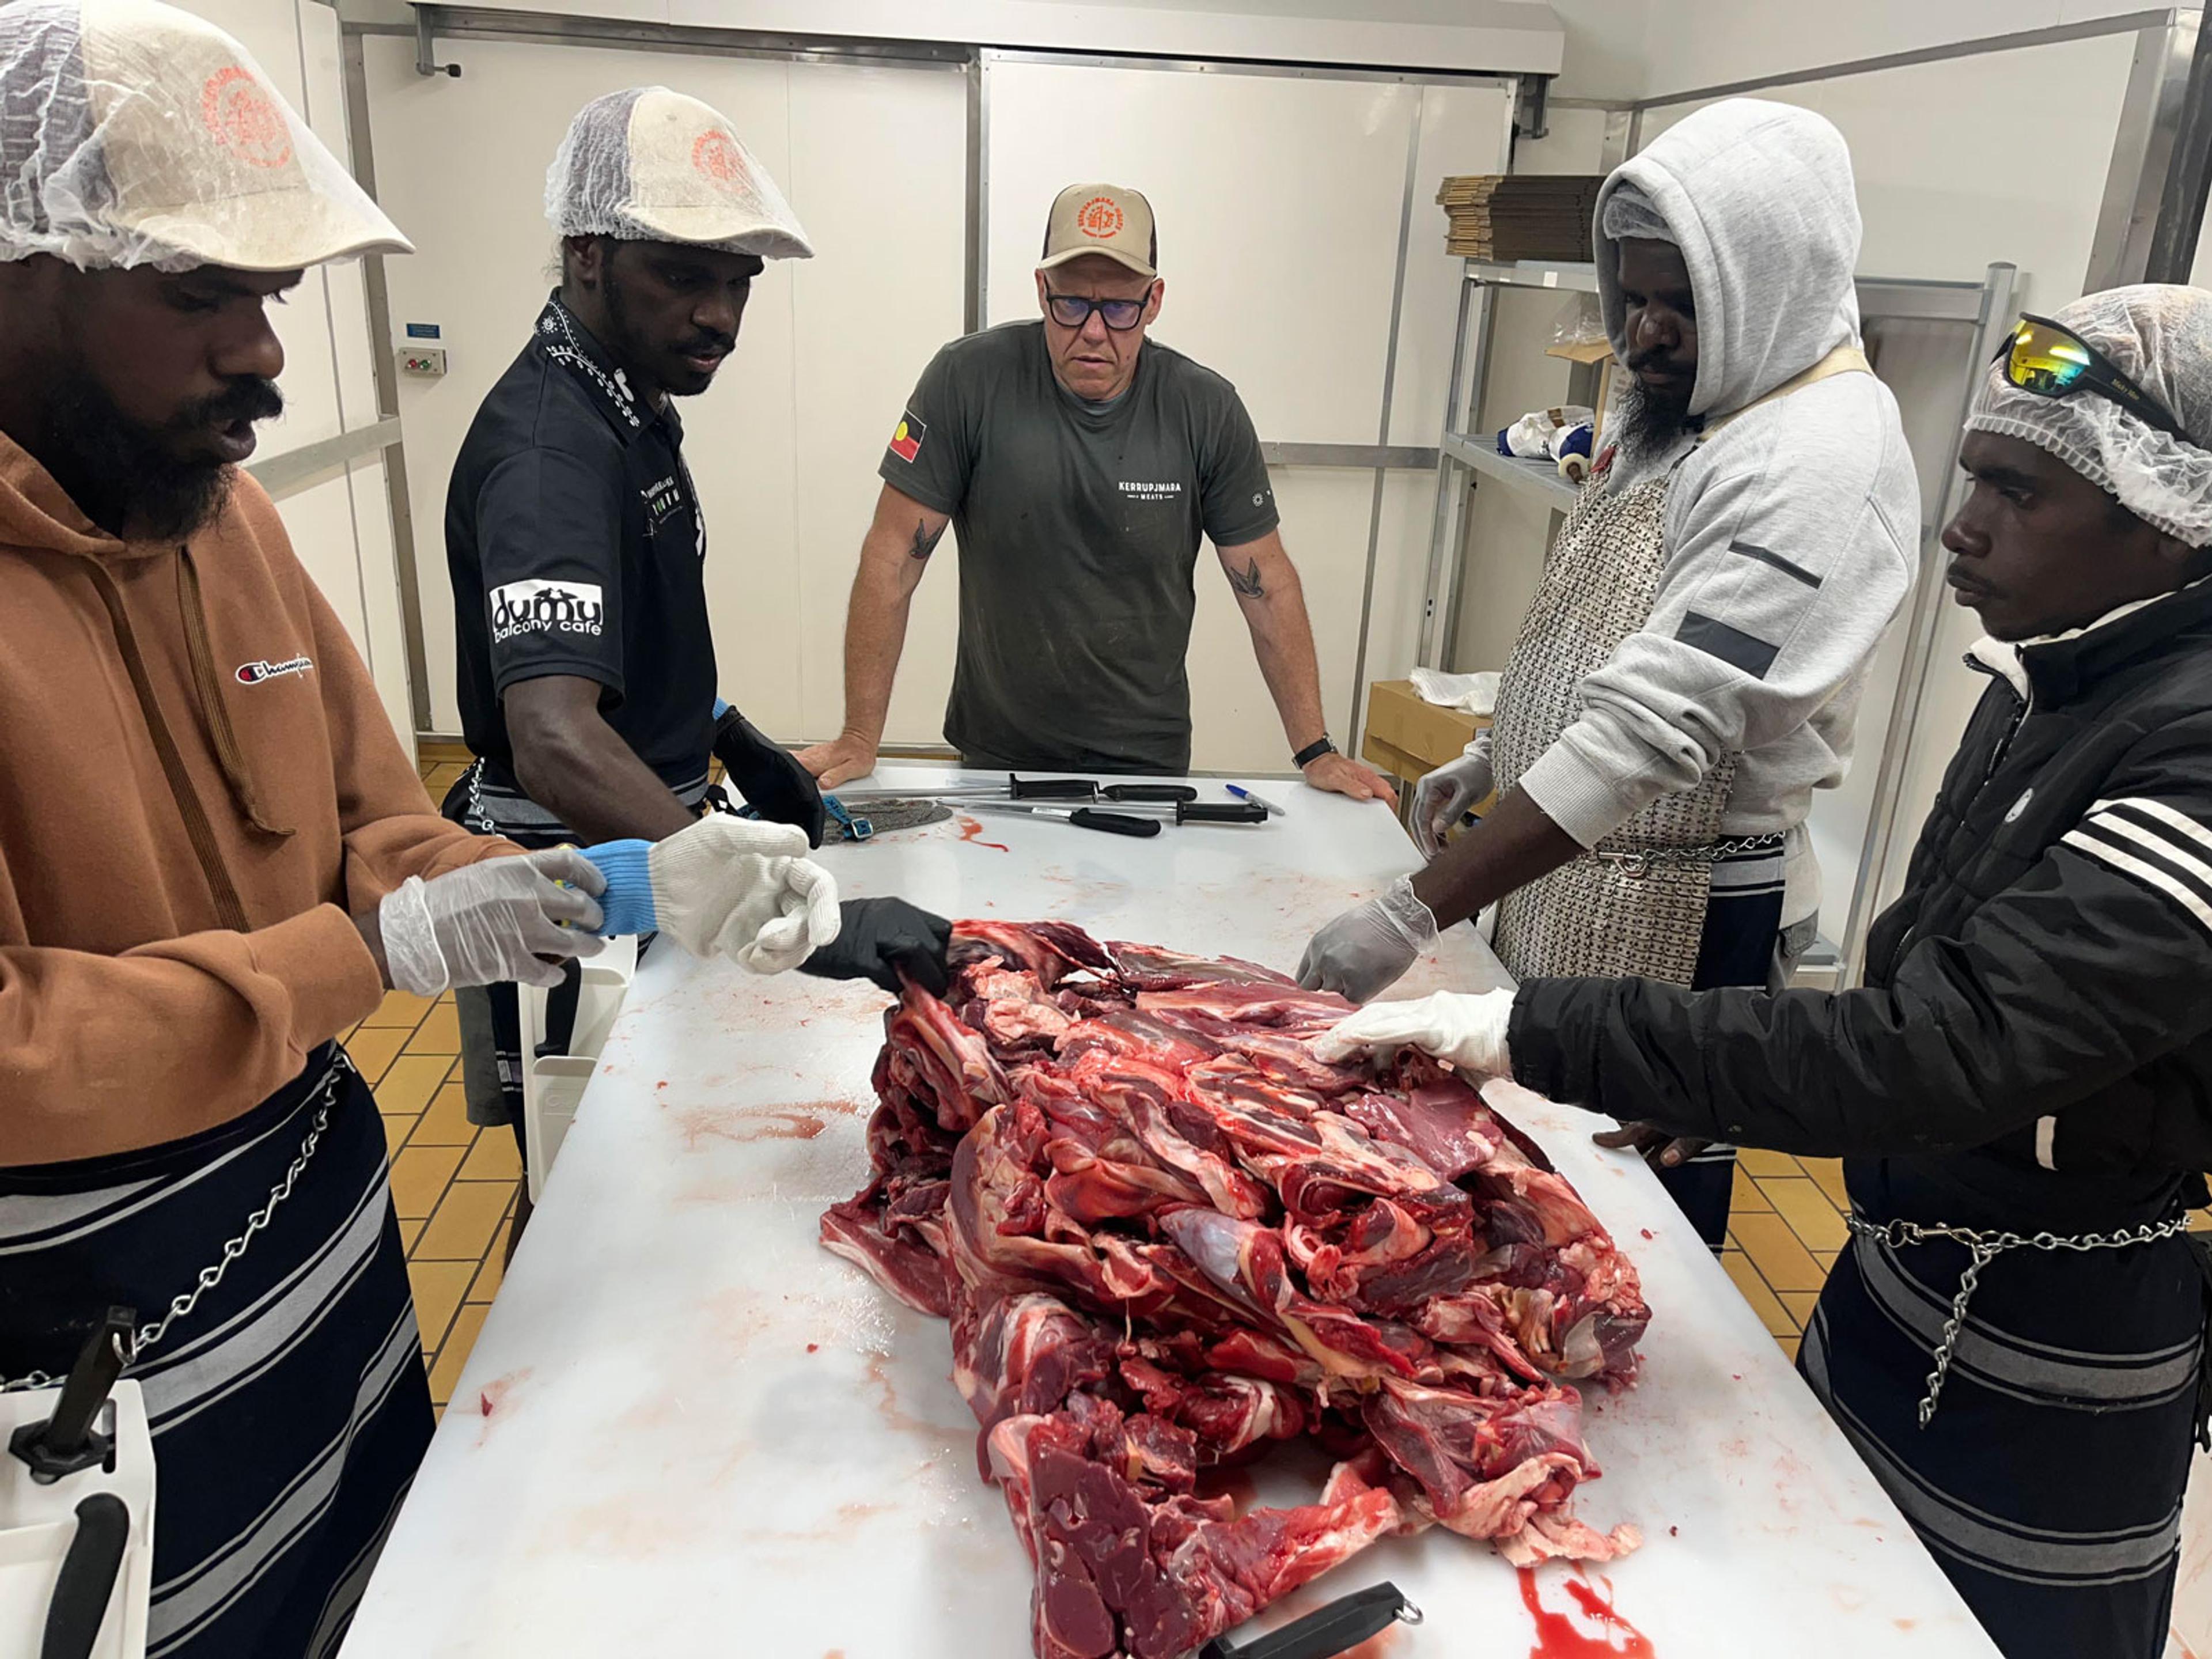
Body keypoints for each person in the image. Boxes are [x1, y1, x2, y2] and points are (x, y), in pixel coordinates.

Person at [1320, 285, 2212, 1659]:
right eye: (1969, 471)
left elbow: (1948, 1047)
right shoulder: (2052, 677)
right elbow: (1935, 976)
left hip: (2053, 1343)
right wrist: (1744, 1083)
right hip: (1897, 1271)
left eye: (2014, 491)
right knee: (1821, 1605)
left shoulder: (2191, 750)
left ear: (2160, 516)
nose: (1958, 522)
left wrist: (1533, 1028)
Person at [0, 5, 612, 1653]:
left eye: (269, 293)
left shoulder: (227, 512)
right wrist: (356, 958)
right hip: (82, 1358)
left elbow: (373, 819)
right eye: (201, 294)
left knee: (376, 1602)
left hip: (320, 1252)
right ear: (19, 275)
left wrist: (565, 885)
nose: (265, 350)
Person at [1299, 100, 1921, 1248]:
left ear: (1772, 287)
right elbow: (1610, 619)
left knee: (1626, 1211)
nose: (1645, 333)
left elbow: (1657, 728)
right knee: (1522, 1167)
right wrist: (1502, 747)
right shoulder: (1700, 406)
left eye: (1683, 305)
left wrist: (1407, 910)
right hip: (1581, 858)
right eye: (1631, 296)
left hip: (1686, 899)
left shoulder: (1820, 455)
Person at [443, 87, 942, 1184]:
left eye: (737, 283)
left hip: (647, 835)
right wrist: (766, 904)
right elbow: (556, 736)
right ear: (586, 253)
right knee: (589, 1193)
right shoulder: (551, 456)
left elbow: (624, 641)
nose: (720, 314)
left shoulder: (626, 404)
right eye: (683, 275)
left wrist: (730, 735)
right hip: (571, 884)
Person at [797, 180, 1395, 803]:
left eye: (1118, 308)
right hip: (997, 759)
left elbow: (1267, 584)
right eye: (1072, 304)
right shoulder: (967, 381)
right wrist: (859, 736)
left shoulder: (1204, 409)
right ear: (1040, 290)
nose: (1092, 330)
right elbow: (893, 556)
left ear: (1154, 299)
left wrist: (1316, 749)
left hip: (1146, 762)